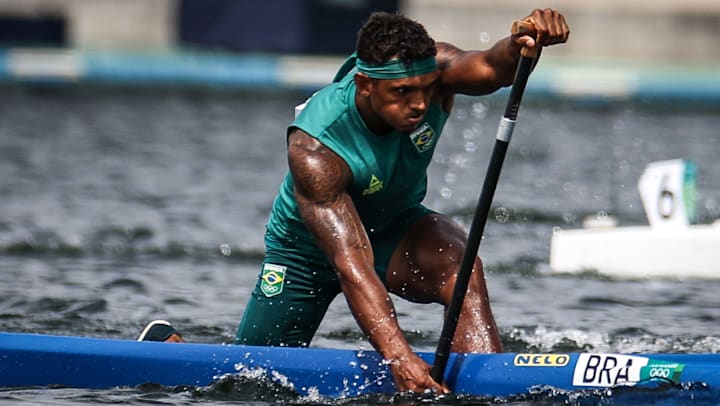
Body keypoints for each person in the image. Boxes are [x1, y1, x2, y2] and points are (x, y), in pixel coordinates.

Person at [141, 8, 569, 393]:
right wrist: (400, 358)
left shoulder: (434, 71)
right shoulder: (316, 148)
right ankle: (169, 347)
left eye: (424, 88)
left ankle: (490, 386)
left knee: (461, 269)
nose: (419, 104)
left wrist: (520, 45)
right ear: (365, 85)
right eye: (401, 93)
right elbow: (351, 264)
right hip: (306, 253)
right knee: (248, 379)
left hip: (394, 226)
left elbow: (493, 67)